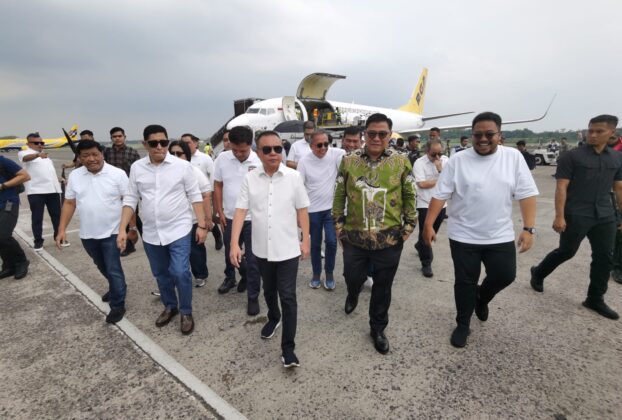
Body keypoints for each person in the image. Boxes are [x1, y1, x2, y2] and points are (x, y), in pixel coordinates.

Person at [424, 112, 539, 348]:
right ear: (472, 135)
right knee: (465, 282)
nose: (483, 139)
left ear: (500, 135)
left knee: (505, 275)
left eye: (489, 134)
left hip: (499, 234)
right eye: (478, 135)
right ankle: (463, 324)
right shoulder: (458, 161)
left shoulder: (513, 157)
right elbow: (440, 194)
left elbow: (527, 194)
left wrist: (529, 228)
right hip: (463, 235)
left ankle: (482, 298)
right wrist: (428, 224)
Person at [333, 113, 417, 355]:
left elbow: (410, 194)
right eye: (372, 134)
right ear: (365, 135)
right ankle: (352, 293)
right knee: (352, 276)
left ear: (390, 135)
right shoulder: (349, 161)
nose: (377, 138)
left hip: (389, 238)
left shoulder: (401, 161)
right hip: (354, 237)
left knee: (383, 286)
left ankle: (377, 328)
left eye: (382, 134)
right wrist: (339, 227)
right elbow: (339, 194)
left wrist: (408, 228)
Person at [230, 130, 310, 368]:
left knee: (288, 296)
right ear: (258, 152)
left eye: (278, 148)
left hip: (288, 249)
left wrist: (306, 239)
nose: (273, 153)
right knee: (269, 290)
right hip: (261, 249)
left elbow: (302, 210)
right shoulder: (250, 178)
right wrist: (234, 244)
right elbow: (240, 211)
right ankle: (274, 317)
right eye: (267, 149)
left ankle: (288, 349)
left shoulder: (294, 177)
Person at [530, 115, 622, 320]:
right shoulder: (572, 157)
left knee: (604, 257)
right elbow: (561, 187)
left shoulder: (617, 158)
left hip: (605, 214)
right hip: (577, 213)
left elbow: (619, 188)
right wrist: (559, 216)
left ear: (612, 133)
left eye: (599, 131)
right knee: (567, 251)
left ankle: (595, 298)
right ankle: (538, 272)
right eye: (590, 130)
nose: (593, 135)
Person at [118, 125, 207, 335]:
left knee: (180, 271)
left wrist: (202, 225)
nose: (159, 147)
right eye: (153, 143)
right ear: (145, 144)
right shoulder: (137, 168)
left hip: (179, 229)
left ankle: (186, 311)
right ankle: (170, 306)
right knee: (160, 273)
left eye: (163, 142)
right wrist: (122, 229)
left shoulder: (182, 167)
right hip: (151, 233)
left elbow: (195, 196)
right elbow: (131, 198)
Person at [56, 140, 128, 324]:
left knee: (113, 268)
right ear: (79, 158)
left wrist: (128, 229)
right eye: (85, 155)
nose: (91, 159)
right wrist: (62, 229)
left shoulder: (117, 174)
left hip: (112, 231)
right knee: (101, 265)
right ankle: (117, 287)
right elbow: (69, 203)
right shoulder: (75, 175)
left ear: (102, 154)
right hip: (88, 234)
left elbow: (128, 202)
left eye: (95, 154)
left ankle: (118, 304)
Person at [213, 126, 263, 315]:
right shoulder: (222, 159)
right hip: (230, 216)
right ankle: (234, 277)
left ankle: (253, 297)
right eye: (235, 150)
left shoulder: (259, 160)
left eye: (243, 150)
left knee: (253, 259)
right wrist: (219, 210)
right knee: (230, 254)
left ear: (250, 144)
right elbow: (218, 185)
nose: (239, 154)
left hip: (253, 218)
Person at [298, 130, 345, 290]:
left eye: (326, 144)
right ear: (311, 146)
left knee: (331, 242)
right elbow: (299, 187)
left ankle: (329, 273)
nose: (324, 148)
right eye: (319, 145)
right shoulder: (304, 161)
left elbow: (354, 152)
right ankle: (316, 274)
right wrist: (299, 213)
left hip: (331, 209)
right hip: (312, 210)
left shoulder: (336, 154)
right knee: (315, 245)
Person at [168, 140, 214, 288]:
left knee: (195, 250)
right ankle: (170, 281)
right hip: (173, 221)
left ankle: (200, 274)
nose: (175, 156)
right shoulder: (164, 173)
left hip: (193, 219)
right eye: (172, 153)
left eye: (179, 153)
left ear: (186, 155)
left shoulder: (193, 171)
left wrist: (207, 219)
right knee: (172, 253)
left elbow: (206, 194)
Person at [18, 132, 66, 251]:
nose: (40, 144)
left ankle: (59, 237)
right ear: (28, 143)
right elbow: (25, 159)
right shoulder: (24, 153)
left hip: (53, 190)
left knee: (57, 216)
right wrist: (38, 155)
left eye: (41, 142)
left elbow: (47, 172)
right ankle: (38, 241)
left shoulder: (46, 156)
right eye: (36, 143)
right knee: (37, 217)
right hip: (36, 191)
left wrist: (59, 179)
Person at [413, 139, 449, 278]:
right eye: (434, 154)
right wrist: (441, 180)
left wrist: (440, 170)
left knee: (434, 230)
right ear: (427, 151)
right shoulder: (419, 163)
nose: (437, 157)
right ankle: (426, 263)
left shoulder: (445, 161)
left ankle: (420, 245)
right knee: (426, 232)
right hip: (425, 203)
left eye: (440, 153)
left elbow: (450, 182)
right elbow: (422, 184)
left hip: (441, 203)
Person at [104, 126, 142, 255]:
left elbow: (138, 172)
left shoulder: (132, 152)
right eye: (114, 137)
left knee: (132, 216)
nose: (117, 138)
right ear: (111, 138)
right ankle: (122, 243)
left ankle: (129, 245)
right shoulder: (107, 153)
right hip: (112, 191)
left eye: (119, 136)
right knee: (118, 218)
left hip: (129, 191)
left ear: (124, 137)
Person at [181, 133, 223, 251]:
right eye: (182, 143)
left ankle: (217, 236)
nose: (185, 145)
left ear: (195, 143)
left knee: (207, 220)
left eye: (188, 142)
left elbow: (213, 178)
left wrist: (212, 197)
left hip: (203, 196)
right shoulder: (179, 158)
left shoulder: (205, 158)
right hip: (186, 198)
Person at [0, 156, 30, 280]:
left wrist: (2, 186)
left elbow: (25, 176)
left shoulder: (2, 161)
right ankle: (9, 266)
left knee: (3, 235)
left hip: (8, 202)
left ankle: (21, 261)